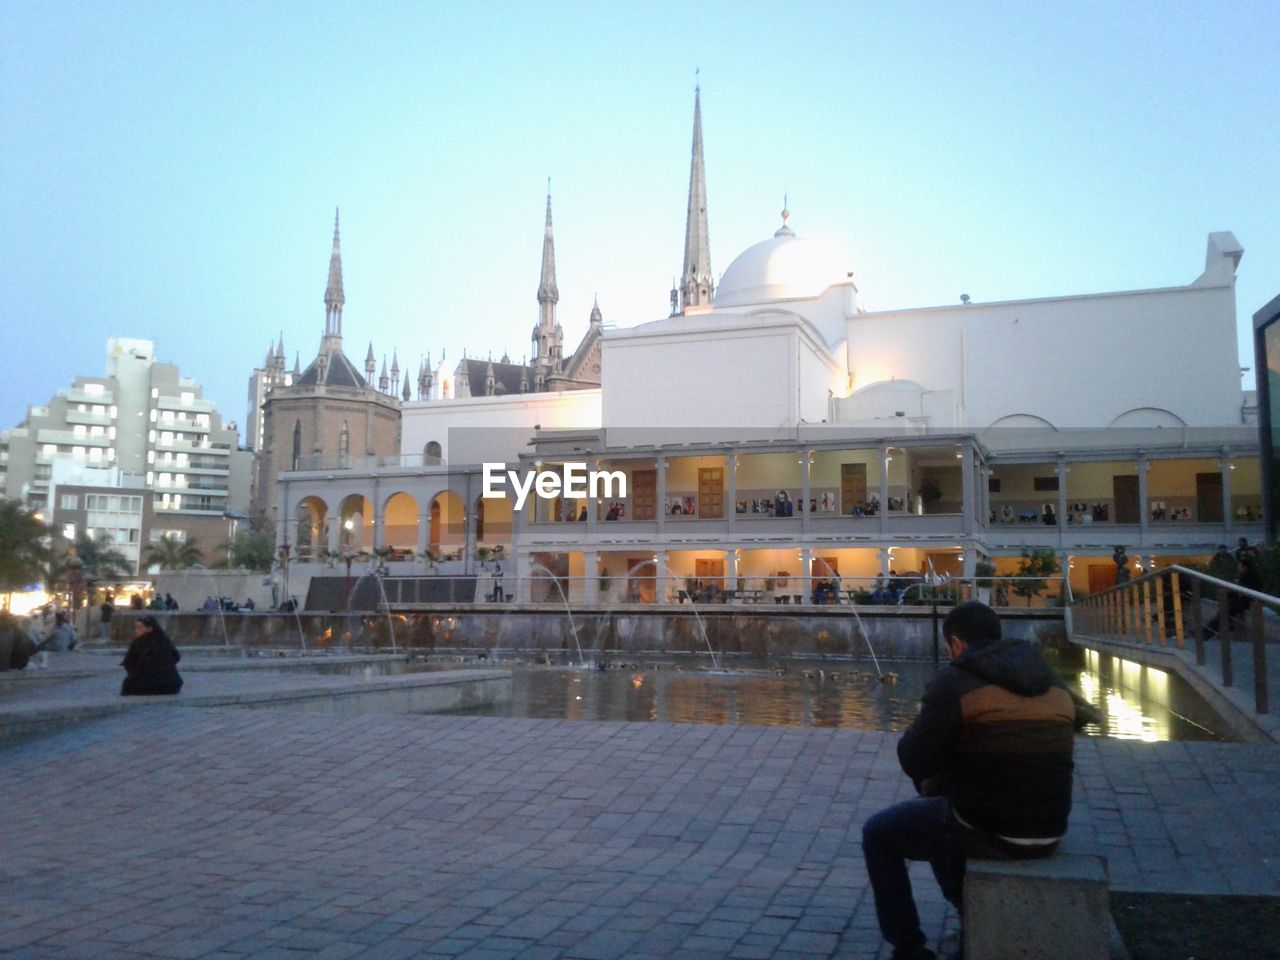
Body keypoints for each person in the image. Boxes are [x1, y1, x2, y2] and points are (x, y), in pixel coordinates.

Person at [861, 601, 1098, 960]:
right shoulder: (1048, 677)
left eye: (948, 648)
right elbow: (1084, 718)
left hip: (992, 827)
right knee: (943, 807)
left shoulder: (956, 680)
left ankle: (909, 949)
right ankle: (970, 913)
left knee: (880, 834)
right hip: (1049, 827)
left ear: (956, 644)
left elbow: (914, 759)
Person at [120, 615, 183, 696]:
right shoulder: (165, 641)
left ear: (149, 629)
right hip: (172, 685)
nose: (136, 630)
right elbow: (176, 657)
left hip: (148, 686)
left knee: (128, 685)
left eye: (139, 627)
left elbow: (128, 663)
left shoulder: (139, 643)